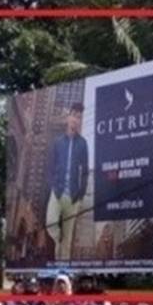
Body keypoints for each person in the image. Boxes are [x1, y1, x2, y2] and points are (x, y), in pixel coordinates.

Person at [48, 103, 89, 262]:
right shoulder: (58, 142)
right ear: (68, 118)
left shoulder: (82, 143)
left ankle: (62, 271)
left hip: (73, 196)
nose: (76, 119)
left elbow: (85, 170)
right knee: (51, 222)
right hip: (57, 192)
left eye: (79, 117)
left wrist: (81, 193)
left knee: (68, 240)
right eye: (74, 115)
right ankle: (59, 239)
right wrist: (53, 184)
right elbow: (51, 166)